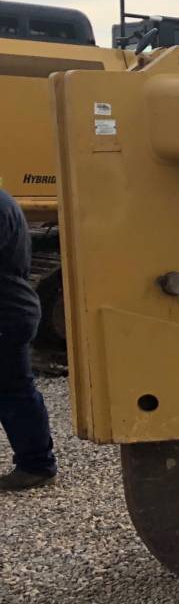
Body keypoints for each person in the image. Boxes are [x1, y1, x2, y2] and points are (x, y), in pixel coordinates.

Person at [0, 188, 56, 490]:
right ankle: (37, 463)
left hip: (5, 312)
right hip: (13, 308)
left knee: (14, 391)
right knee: (15, 389)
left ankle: (36, 465)